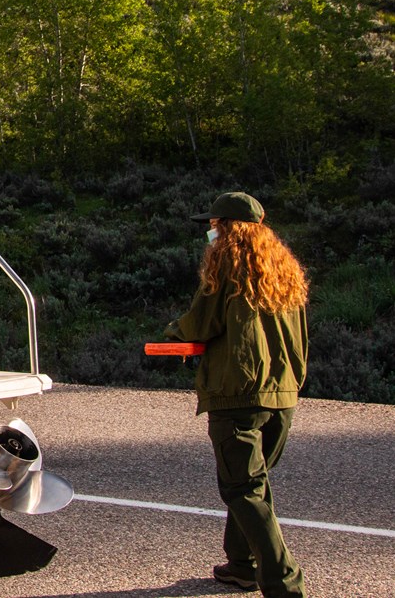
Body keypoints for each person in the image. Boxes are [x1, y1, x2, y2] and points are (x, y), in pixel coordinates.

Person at [164, 191, 309, 597]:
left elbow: (201, 322)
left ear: (227, 227)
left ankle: (284, 584)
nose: (210, 231)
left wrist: (174, 333)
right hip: (282, 395)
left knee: (243, 488)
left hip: (237, 393)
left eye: (213, 224)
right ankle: (242, 565)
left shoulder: (227, 263)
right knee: (252, 483)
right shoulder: (283, 270)